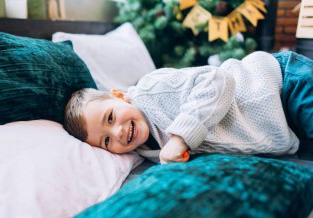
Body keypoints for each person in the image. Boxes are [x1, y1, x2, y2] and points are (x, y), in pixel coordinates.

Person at [64, 51, 313, 164]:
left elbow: (218, 79)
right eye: (106, 141)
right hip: (285, 129)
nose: (117, 132)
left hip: (281, 85)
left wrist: (181, 138)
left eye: (110, 118)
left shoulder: (152, 90)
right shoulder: (147, 151)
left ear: (119, 96)